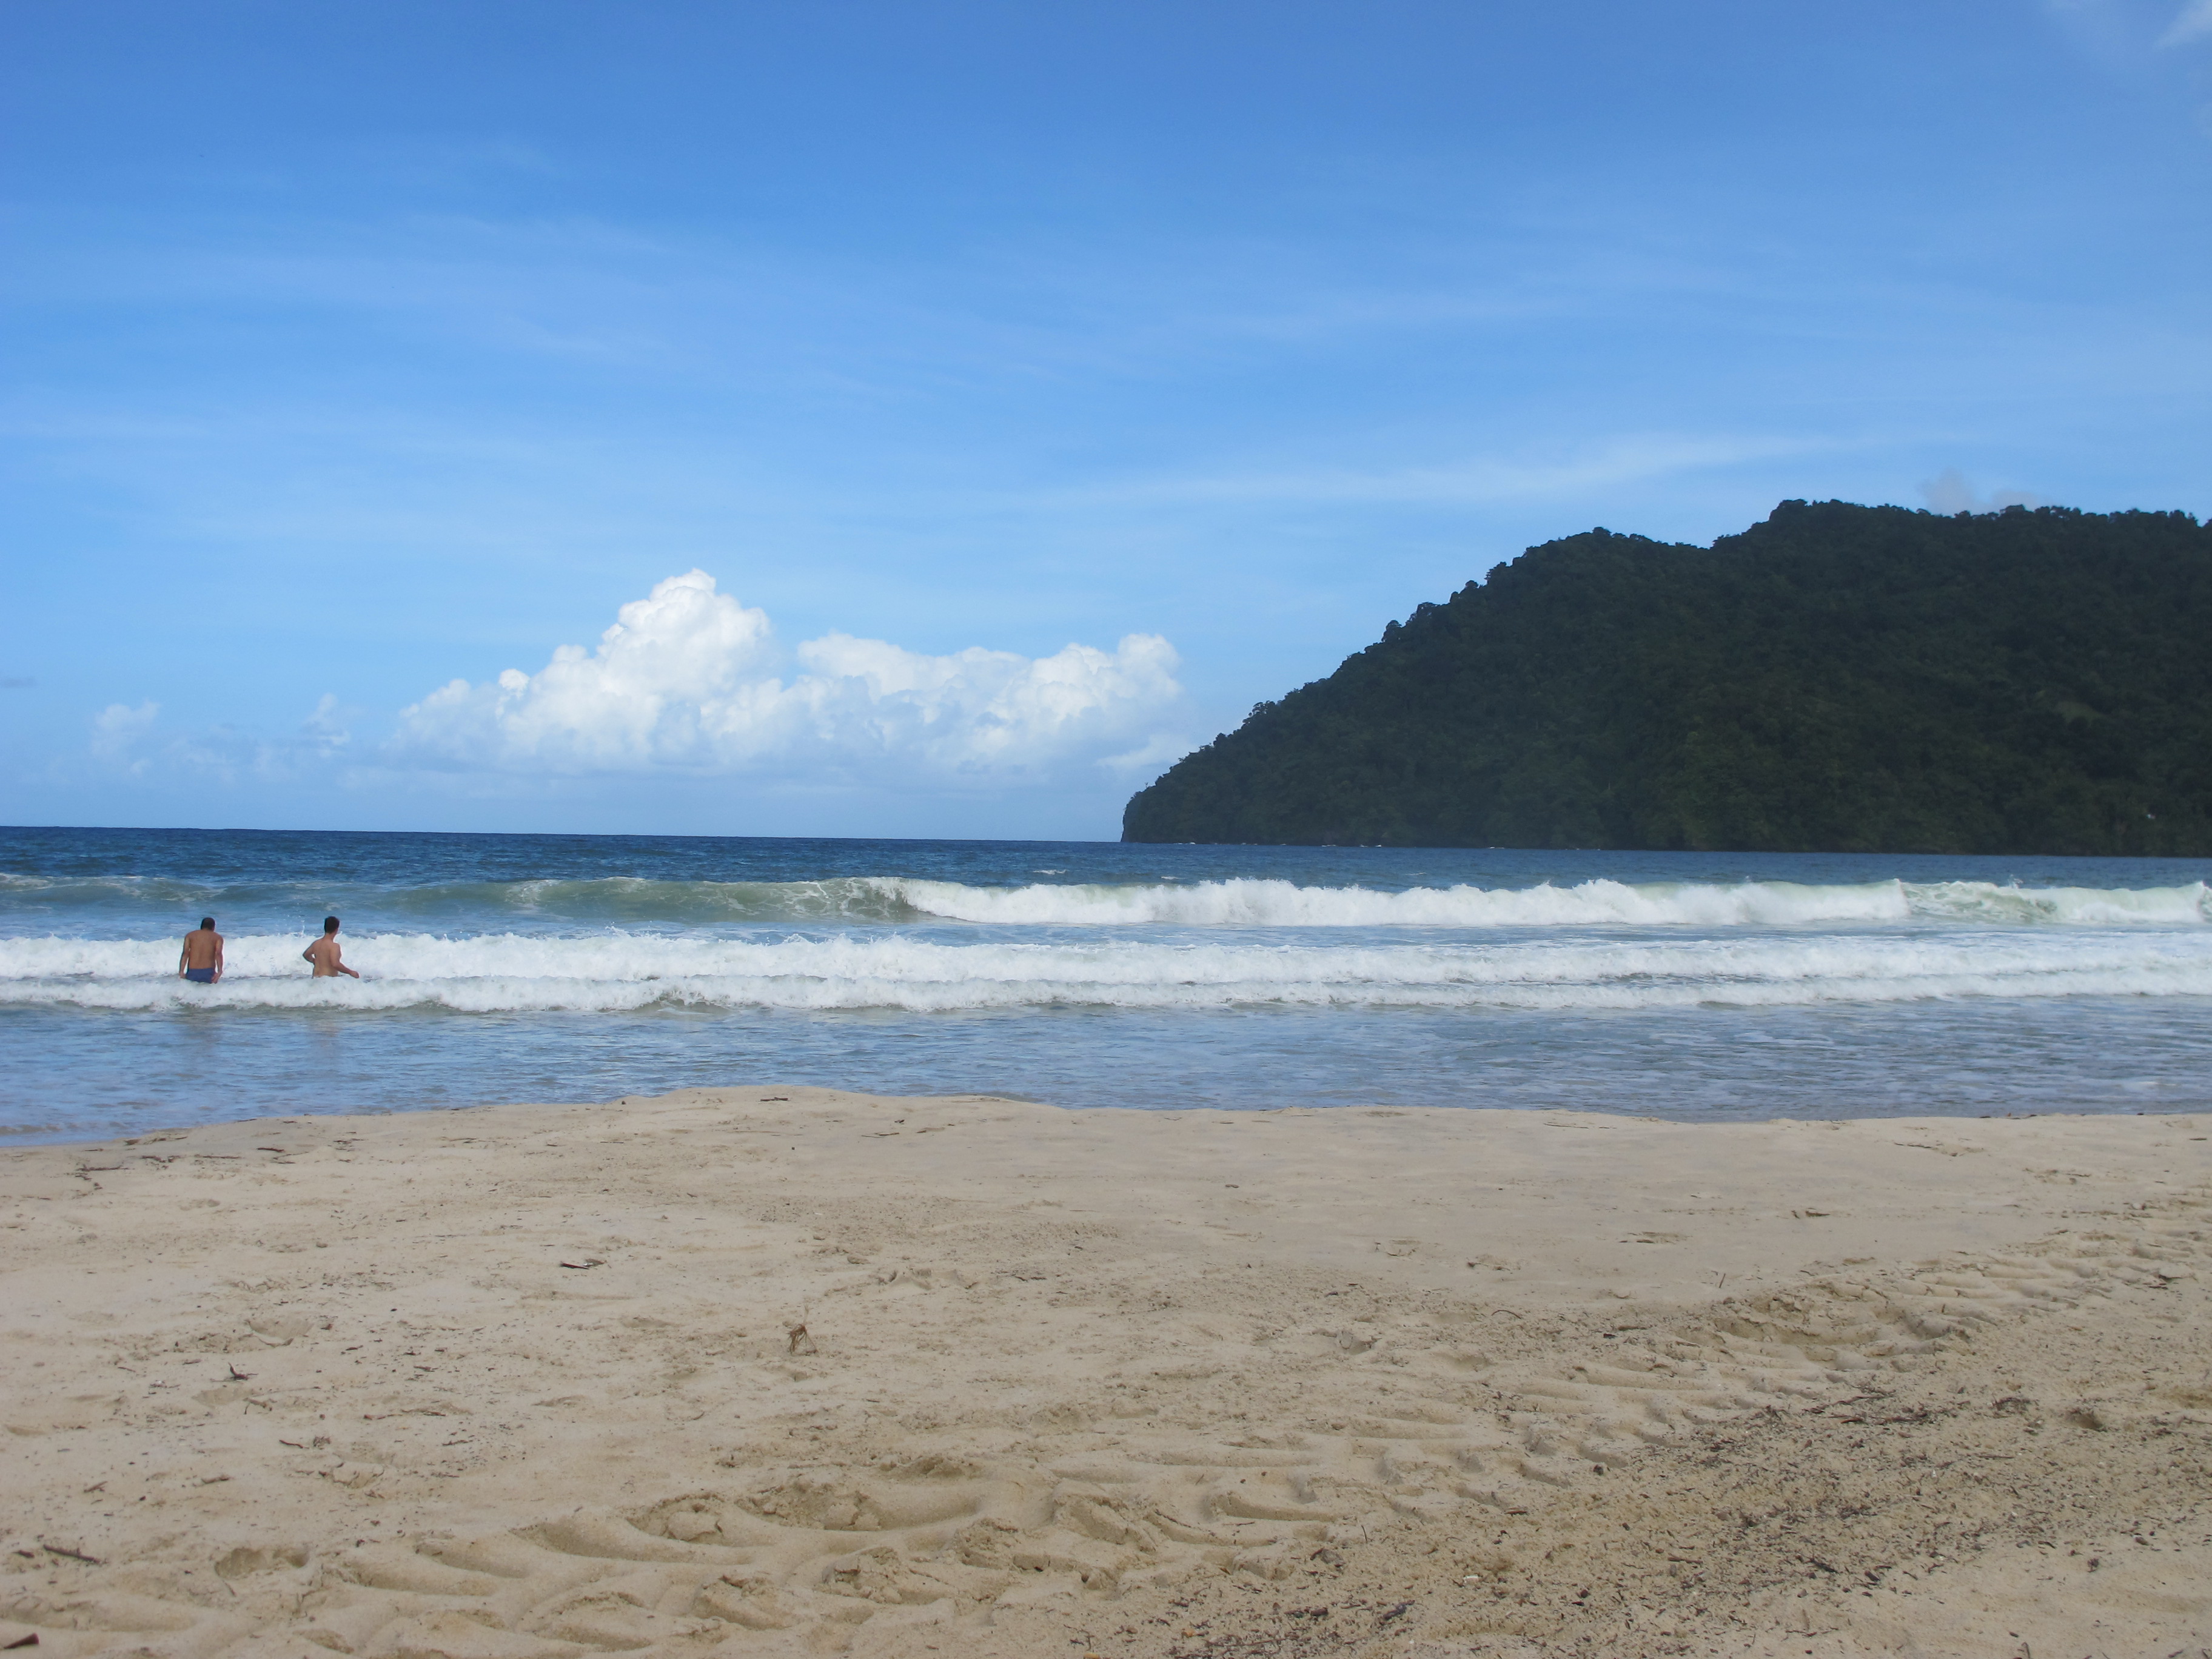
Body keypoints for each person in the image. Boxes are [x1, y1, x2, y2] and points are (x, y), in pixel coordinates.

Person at [303, 915, 361, 979]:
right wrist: (350, 972)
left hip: (315, 979)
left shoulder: (316, 943)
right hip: (326, 981)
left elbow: (306, 955)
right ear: (337, 929)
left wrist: (314, 961)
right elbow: (335, 964)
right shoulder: (334, 946)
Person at [178, 916, 224, 984]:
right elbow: (218, 953)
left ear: (201, 926)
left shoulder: (190, 935)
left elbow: (185, 953)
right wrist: (220, 971)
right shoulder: (217, 937)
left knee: (191, 993)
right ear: (213, 927)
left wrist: (181, 971)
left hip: (192, 971)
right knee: (208, 993)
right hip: (208, 972)